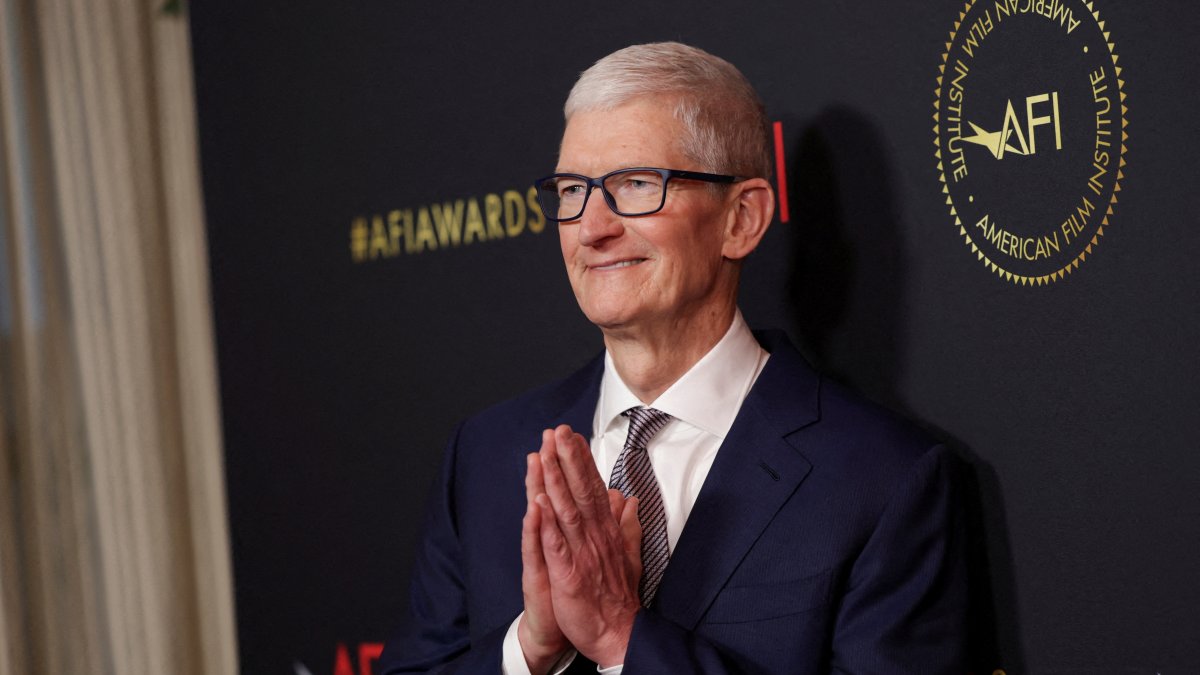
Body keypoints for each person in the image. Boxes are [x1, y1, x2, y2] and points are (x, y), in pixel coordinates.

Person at [380, 41, 966, 674]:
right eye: (572, 190)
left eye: (635, 185)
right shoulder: (486, 454)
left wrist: (620, 637)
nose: (592, 227)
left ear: (741, 219)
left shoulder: (881, 480)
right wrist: (529, 650)